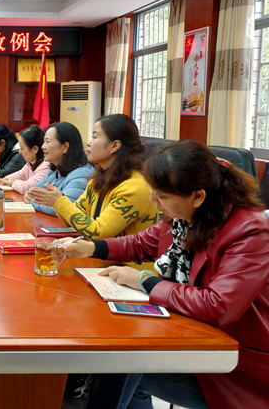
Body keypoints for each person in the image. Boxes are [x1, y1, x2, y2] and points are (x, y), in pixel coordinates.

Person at [64, 140, 269, 409]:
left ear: (198, 196)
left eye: (162, 196)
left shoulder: (249, 232)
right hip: (189, 332)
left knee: (123, 363)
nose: (153, 201)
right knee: (121, 356)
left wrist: (146, 282)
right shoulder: (184, 216)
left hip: (233, 363)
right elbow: (141, 243)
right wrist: (92, 247)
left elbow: (218, 305)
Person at [37, 114, 159, 239]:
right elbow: (74, 221)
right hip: (97, 250)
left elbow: (98, 232)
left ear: (114, 146)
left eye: (95, 137)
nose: (89, 143)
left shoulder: (134, 188)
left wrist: (59, 201)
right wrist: (58, 202)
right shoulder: (97, 181)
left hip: (123, 253)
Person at [25, 122, 93, 215]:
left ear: (65, 147)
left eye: (47, 142)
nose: (43, 147)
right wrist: (33, 198)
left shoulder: (81, 174)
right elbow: (32, 191)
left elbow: (66, 209)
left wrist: (32, 202)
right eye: (44, 142)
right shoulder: (55, 170)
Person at [0, 124, 50, 194]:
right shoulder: (31, 162)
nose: (19, 152)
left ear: (35, 149)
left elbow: (27, 187)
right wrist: (3, 179)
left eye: (22, 148)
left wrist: (11, 182)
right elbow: (20, 174)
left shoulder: (46, 166)